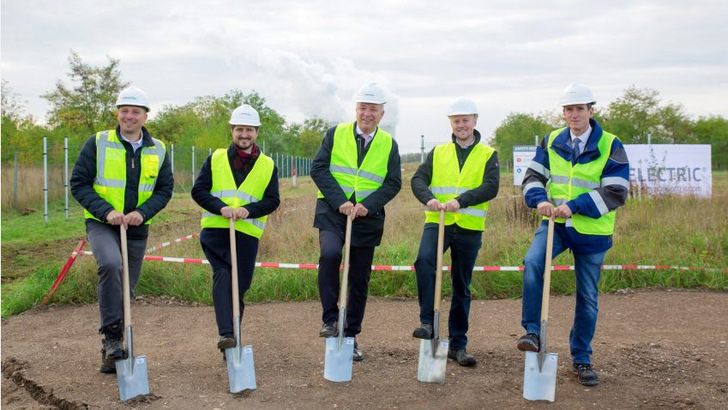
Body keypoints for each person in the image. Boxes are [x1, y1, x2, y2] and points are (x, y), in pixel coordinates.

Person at [517, 82, 630, 386]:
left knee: (588, 298)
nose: (574, 114)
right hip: (555, 225)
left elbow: (617, 190)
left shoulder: (610, 144)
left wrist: (575, 206)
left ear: (591, 111)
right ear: (564, 113)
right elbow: (532, 176)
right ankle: (532, 332)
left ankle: (581, 359)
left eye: (580, 108)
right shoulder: (552, 140)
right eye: (569, 109)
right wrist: (539, 198)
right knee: (533, 263)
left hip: (592, 232)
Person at [70, 86, 174, 374]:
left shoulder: (159, 148)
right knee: (111, 265)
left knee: (125, 287)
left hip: (137, 227)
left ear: (144, 116)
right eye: (124, 111)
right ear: (118, 113)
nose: (129, 116)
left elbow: (165, 189)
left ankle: (111, 350)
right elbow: (79, 183)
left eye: (135, 112)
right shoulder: (98, 142)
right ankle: (113, 340)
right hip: (102, 223)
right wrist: (106, 211)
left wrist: (143, 212)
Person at [311, 82, 402, 361]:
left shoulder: (388, 144)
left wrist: (368, 205)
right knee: (330, 255)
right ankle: (330, 320)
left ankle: (350, 335)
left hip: (367, 217)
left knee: (359, 278)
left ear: (381, 114)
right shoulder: (335, 134)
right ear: (356, 109)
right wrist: (340, 200)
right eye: (363, 108)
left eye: (373, 109)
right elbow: (319, 168)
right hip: (332, 211)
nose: (367, 114)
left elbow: (393, 182)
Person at [410, 98, 500, 367]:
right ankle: (427, 322)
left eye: (465, 120)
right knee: (424, 260)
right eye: (456, 120)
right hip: (438, 221)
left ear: (475, 121)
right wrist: (428, 198)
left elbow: (491, 187)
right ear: (450, 123)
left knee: (461, 285)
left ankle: (458, 345)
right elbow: (418, 179)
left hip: (469, 227)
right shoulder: (438, 152)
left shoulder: (487, 154)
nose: (461, 125)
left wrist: (461, 200)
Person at [191, 104, 280, 354]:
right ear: (232, 130)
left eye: (249, 130)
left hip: (247, 234)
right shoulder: (216, 158)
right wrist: (221, 207)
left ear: (256, 132)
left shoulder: (268, 165)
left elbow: (273, 200)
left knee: (239, 285)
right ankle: (227, 334)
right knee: (223, 274)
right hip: (216, 230)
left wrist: (248, 210)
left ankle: (233, 336)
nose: (244, 134)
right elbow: (198, 191)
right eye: (239, 129)